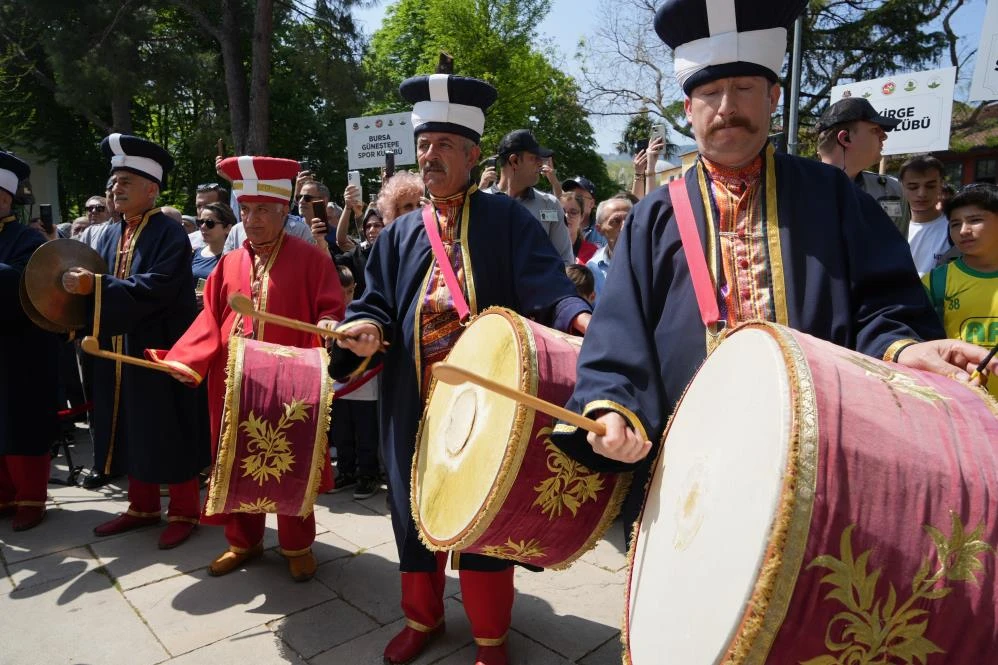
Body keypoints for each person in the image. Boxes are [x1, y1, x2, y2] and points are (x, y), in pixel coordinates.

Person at [551, 0, 997, 543]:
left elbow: (882, 307)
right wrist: (614, 406)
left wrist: (907, 348)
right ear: (688, 109)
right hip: (688, 459)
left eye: (743, 90)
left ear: (773, 97)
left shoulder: (832, 196)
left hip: (822, 458)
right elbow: (617, 335)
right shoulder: (653, 216)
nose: (726, 108)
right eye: (710, 94)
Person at [330, 73, 592, 665]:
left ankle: (491, 637)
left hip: (488, 406)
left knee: (483, 516)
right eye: (424, 146)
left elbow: (550, 290)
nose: (430, 157)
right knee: (412, 512)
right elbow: (372, 301)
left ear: (473, 155)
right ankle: (421, 619)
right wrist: (365, 328)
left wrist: (580, 321)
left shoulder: (507, 222)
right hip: (413, 403)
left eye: (444, 146)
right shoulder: (397, 234)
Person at [146, 155, 343, 582]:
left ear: (282, 211)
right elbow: (209, 321)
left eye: (263, 211)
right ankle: (244, 540)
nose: (252, 220)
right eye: (246, 211)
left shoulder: (311, 259)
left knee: (290, 462)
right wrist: (187, 360)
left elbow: (330, 305)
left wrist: (330, 321)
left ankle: (297, 544)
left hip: (291, 385)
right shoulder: (230, 262)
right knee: (237, 462)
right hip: (235, 384)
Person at [60, 133, 208, 549]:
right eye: (113, 183)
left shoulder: (170, 233)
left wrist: (99, 286)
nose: (115, 189)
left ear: (151, 189)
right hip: (111, 351)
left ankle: (182, 511)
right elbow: (91, 285)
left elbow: (158, 287)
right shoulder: (105, 234)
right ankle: (140, 507)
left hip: (156, 350)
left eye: (125, 181)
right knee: (125, 427)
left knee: (166, 427)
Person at [0, 151, 59, 531]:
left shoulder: (27, 239)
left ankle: (31, 498)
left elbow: (23, 285)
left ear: (5, 198)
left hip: (19, 349)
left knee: (19, 424)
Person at [923, 184, 998, 399]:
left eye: (975, 220)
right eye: (955, 224)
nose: (963, 230)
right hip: (962, 403)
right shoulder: (936, 282)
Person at [816, 96, 909, 235]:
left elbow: (900, 251)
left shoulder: (891, 190)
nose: (884, 136)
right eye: (875, 130)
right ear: (845, 138)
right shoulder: (797, 192)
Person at [328, 264, 380, 499]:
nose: (344, 297)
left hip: (364, 387)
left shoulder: (362, 315)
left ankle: (368, 474)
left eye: (349, 291)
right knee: (342, 433)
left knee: (366, 434)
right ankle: (346, 471)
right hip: (338, 387)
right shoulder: (327, 317)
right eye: (340, 291)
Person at [486, 129, 575, 264]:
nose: (541, 163)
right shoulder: (479, 204)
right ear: (514, 161)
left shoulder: (550, 205)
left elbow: (566, 262)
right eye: (534, 158)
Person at [900, 155, 953, 276]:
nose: (921, 193)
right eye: (913, 187)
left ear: (941, 185)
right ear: (901, 186)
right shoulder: (890, 227)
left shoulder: (955, 229)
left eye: (930, 186)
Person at [585, 196, 633, 299]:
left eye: (629, 220)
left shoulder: (651, 261)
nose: (624, 227)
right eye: (616, 221)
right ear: (599, 229)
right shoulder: (592, 270)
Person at [335, 204, 384, 297]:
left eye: (377, 225)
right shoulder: (357, 254)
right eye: (368, 226)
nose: (371, 230)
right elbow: (333, 264)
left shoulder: (397, 252)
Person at [191, 202, 236, 284]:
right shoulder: (193, 254)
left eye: (209, 223)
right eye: (200, 222)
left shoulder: (234, 258)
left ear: (227, 228)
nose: (203, 227)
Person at [560, 191, 597, 263]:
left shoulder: (593, 253)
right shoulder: (546, 248)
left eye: (573, 212)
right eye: (562, 211)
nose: (566, 216)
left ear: (582, 217)